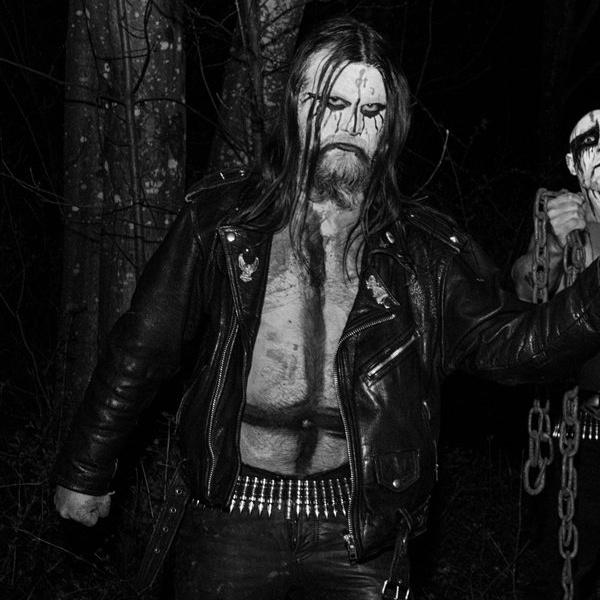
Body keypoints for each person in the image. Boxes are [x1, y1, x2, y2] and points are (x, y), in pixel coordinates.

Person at [54, 19, 600, 600]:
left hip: (358, 530)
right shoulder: (222, 223)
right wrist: (87, 465)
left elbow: (514, 346)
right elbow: (143, 346)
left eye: (372, 111)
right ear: (296, 105)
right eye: (333, 103)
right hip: (231, 516)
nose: (351, 125)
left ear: (390, 129)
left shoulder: (423, 253)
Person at [512, 109, 600, 600]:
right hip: (579, 438)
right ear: (573, 163)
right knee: (567, 575)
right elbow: (526, 305)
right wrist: (552, 246)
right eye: (591, 146)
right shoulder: (561, 221)